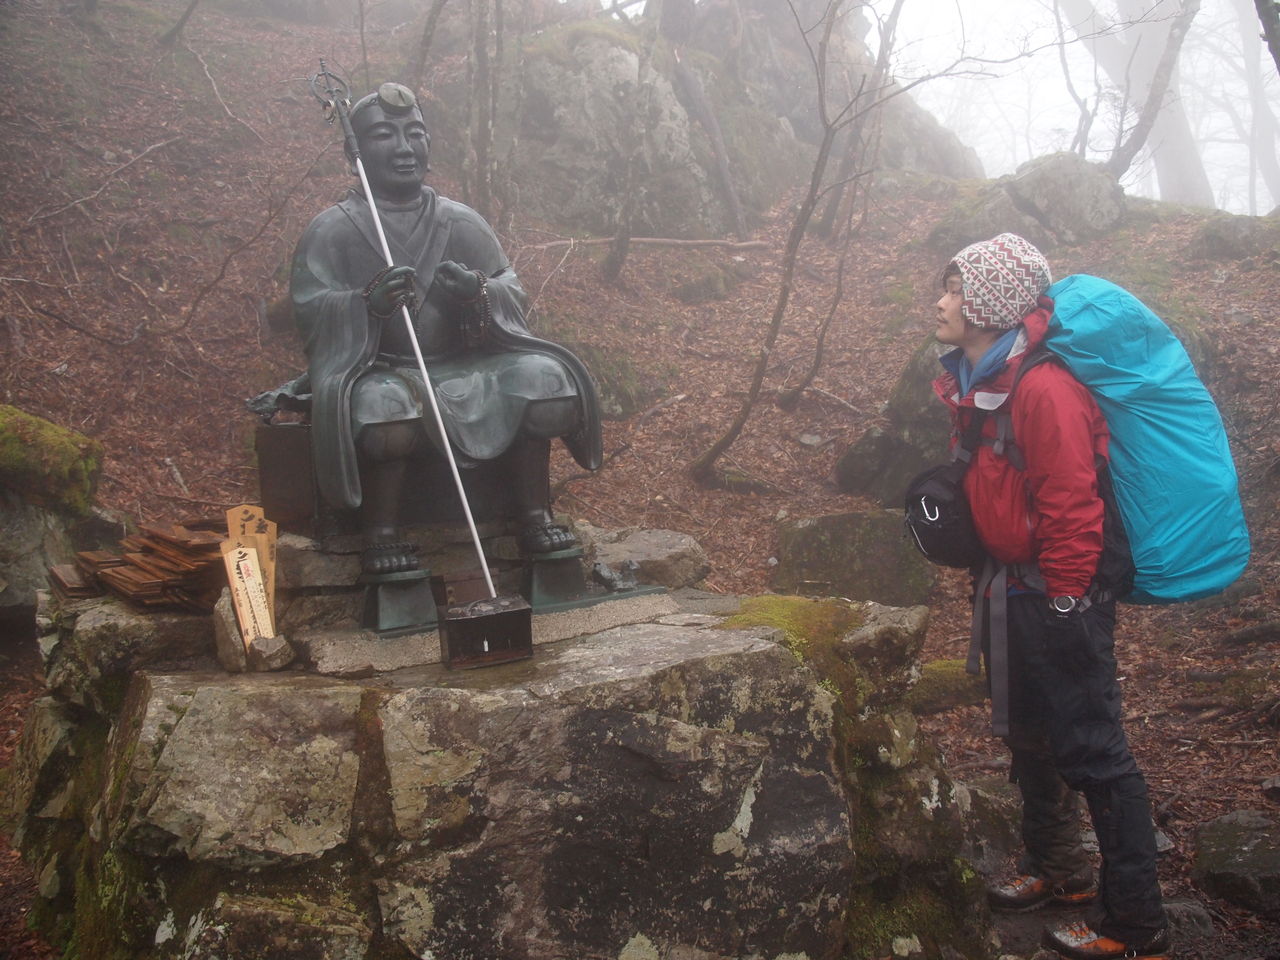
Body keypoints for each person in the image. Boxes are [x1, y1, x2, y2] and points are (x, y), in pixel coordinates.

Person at [929, 234, 1169, 960]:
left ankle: (1135, 923)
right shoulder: (979, 381)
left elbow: (1072, 505)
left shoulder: (1043, 388)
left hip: (1062, 594)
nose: (939, 302)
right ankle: (1059, 869)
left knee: (1095, 751)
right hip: (1011, 587)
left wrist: (1067, 604)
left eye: (952, 290)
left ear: (987, 305)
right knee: (1029, 735)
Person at [290, 82, 602, 573]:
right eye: (384, 136)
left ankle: (534, 514)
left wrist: (478, 291)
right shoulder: (333, 230)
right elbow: (309, 306)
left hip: (465, 364)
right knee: (384, 407)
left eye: (415, 133)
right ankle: (382, 533)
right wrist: (364, 305)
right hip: (384, 367)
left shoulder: (461, 222)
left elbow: (510, 287)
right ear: (357, 152)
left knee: (545, 381)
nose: (403, 147)